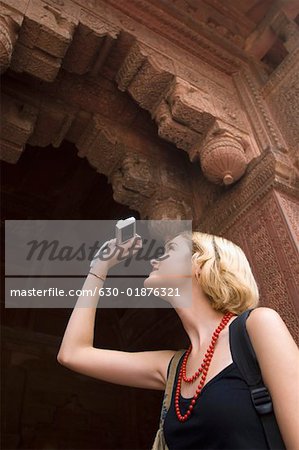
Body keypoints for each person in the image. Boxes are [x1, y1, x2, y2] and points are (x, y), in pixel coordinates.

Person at [57, 230, 299, 449]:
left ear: (200, 264)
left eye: (170, 251)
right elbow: (73, 353)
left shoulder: (257, 326)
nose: (154, 260)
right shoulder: (173, 368)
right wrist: (99, 267)